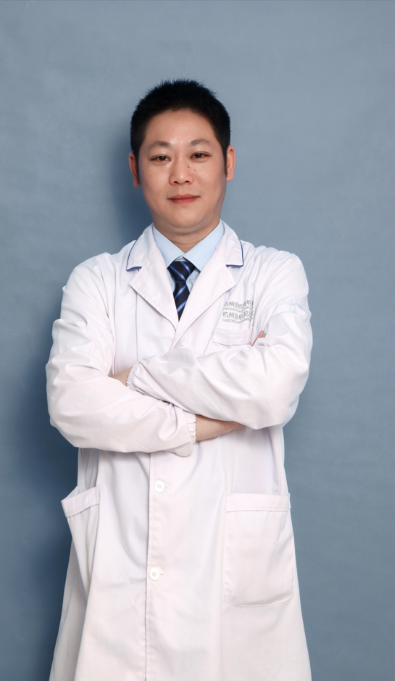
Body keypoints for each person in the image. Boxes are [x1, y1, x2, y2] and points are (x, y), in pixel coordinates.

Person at [46, 79, 312, 681]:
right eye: (161, 157)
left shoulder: (273, 273)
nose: (181, 174)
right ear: (135, 170)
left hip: (232, 574)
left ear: (228, 163)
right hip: (122, 569)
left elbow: (274, 386)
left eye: (199, 154)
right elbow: (73, 403)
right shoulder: (97, 281)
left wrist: (137, 375)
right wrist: (201, 423)